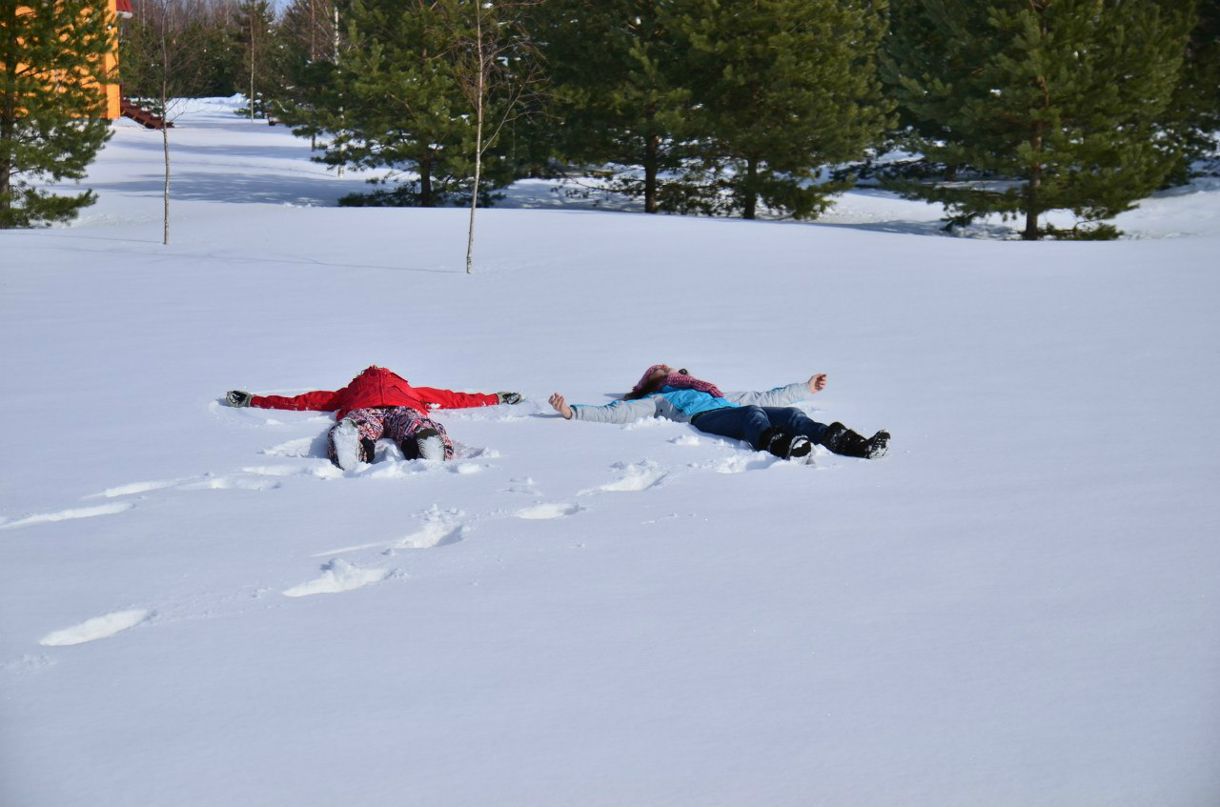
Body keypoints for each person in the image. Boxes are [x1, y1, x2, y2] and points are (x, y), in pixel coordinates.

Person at [548, 364, 889, 461]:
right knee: (752, 414)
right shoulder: (661, 400)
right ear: (652, 384)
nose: (666, 369)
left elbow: (762, 394)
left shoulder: (711, 391)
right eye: (658, 371)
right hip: (709, 420)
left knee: (789, 413)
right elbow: (619, 412)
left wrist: (806, 388)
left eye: (667, 367)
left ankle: (856, 445)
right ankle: (782, 446)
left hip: (732, 409)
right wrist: (571, 412)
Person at [224, 365, 522, 469]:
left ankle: (421, 443)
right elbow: (304, 400)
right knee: (400, 421)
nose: (376, 369)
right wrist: (255, 400)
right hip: (391, 409)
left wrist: (496, 397)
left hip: (377, 409)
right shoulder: (401, 388)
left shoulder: (399, 389)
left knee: (403, 423)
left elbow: (455, 398)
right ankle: (355, 444)